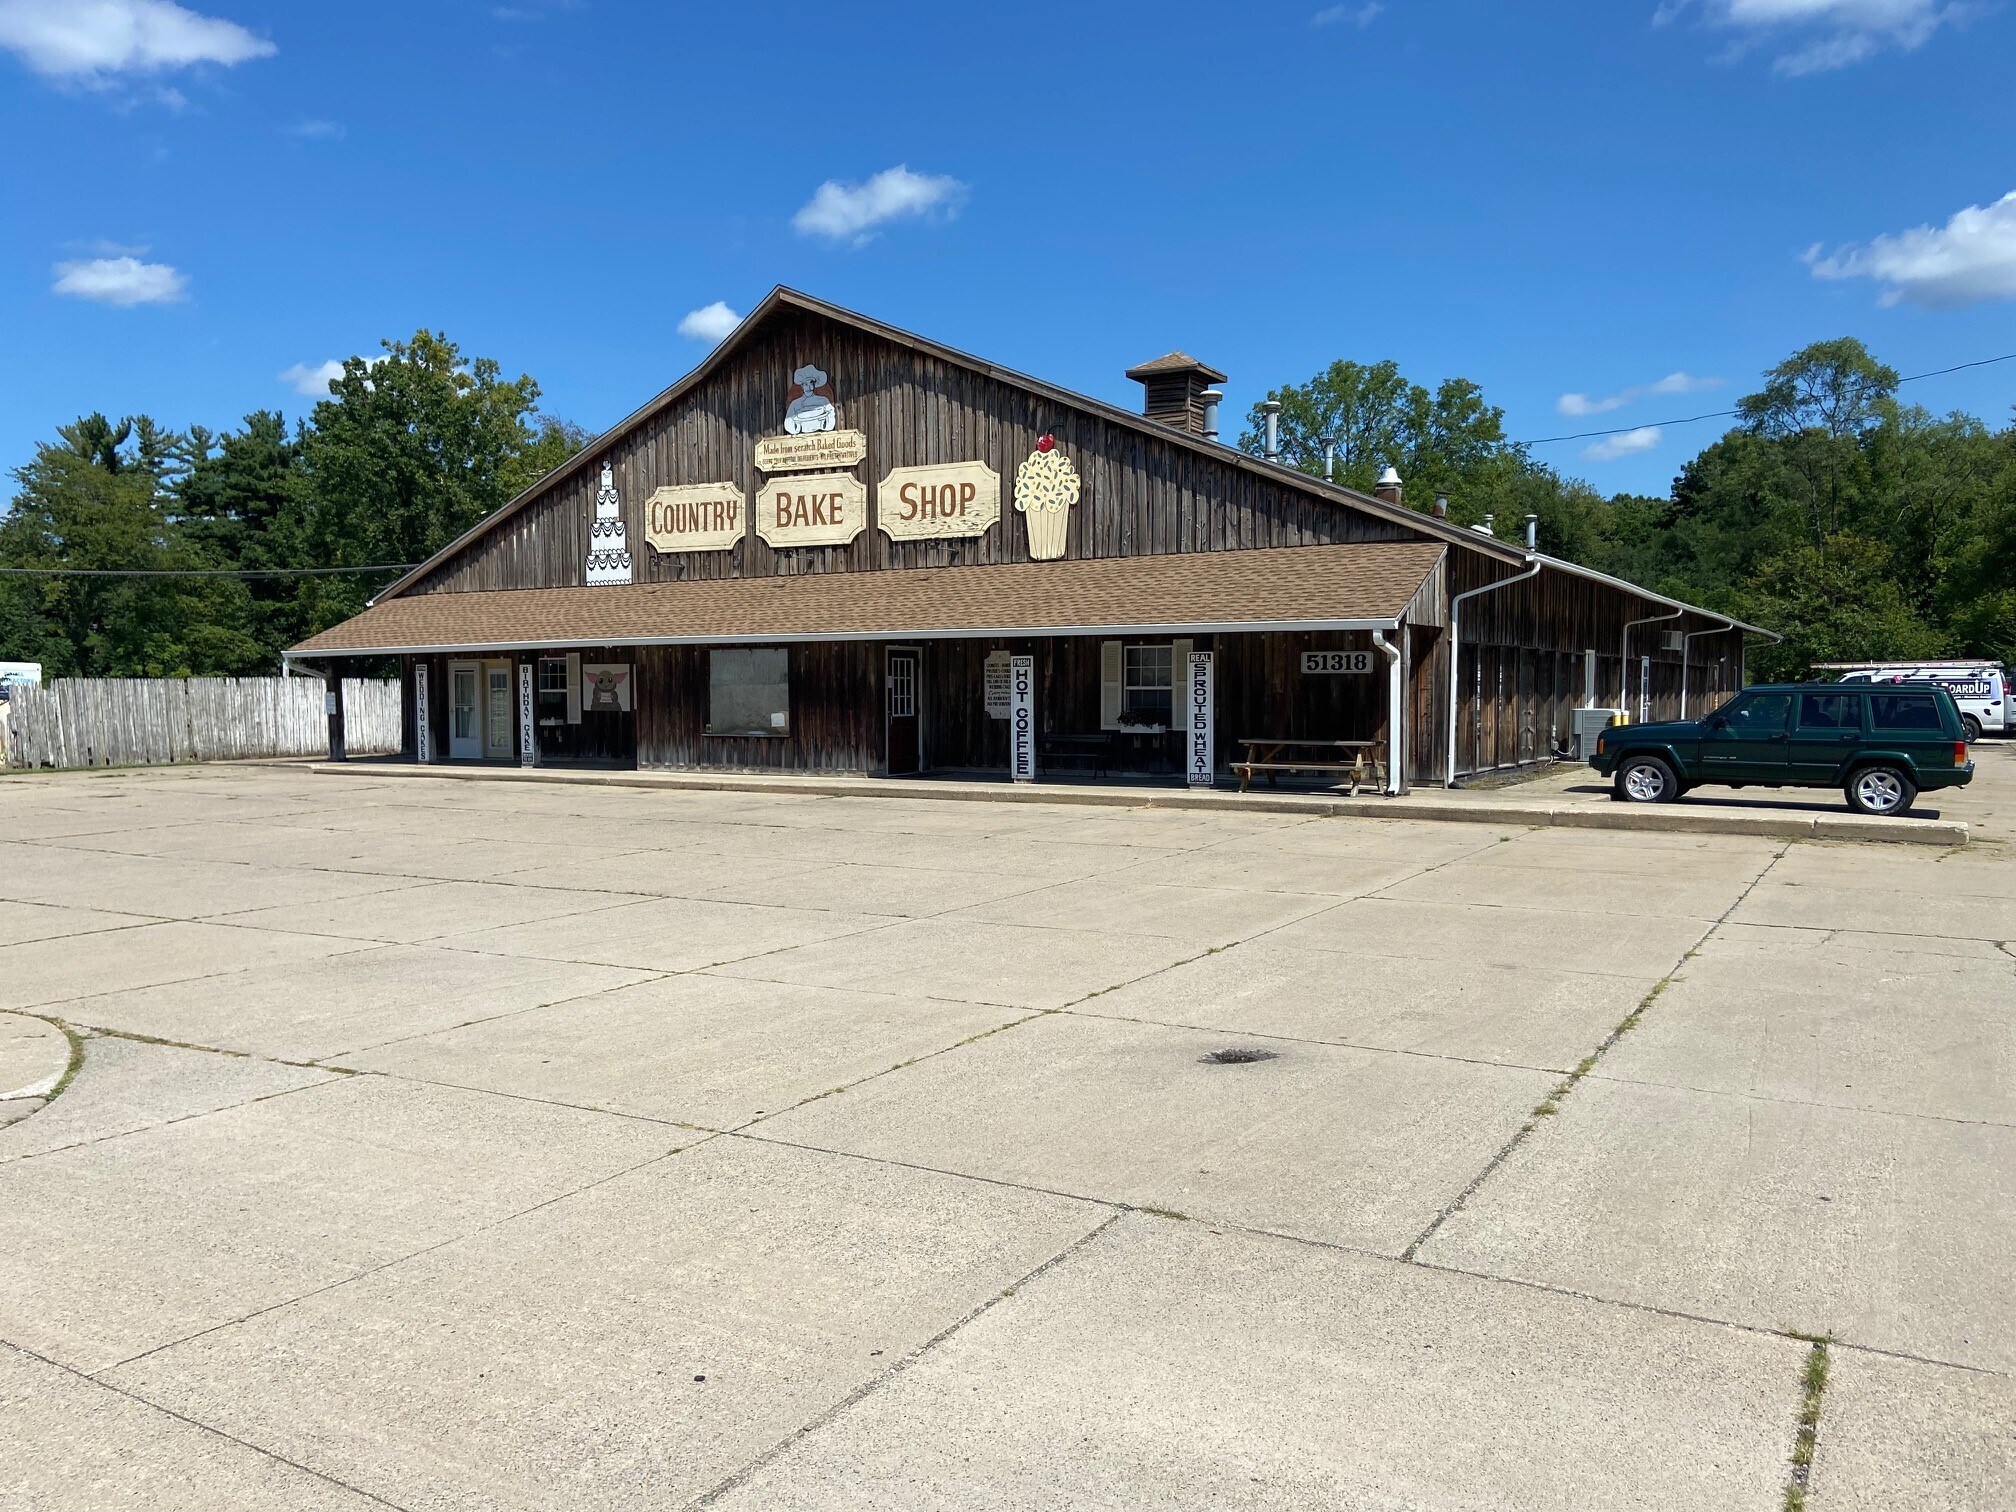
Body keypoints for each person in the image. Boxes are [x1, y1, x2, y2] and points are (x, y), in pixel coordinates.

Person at [783, 364, 838, 434]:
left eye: (811, 383)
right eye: (806, 384)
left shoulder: (823, 401)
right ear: (802, 386)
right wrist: (795, 429)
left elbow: (831, 414)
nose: (808, 387)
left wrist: (826, 426)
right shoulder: (795, 404)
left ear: (814, 385)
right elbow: (788, 421)